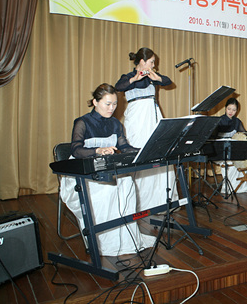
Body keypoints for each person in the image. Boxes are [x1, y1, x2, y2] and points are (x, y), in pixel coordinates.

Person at [60, 83, 155, 256]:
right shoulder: (82, 122)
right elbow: (76, 150)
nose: (112, 108)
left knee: (127, 183)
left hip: (105, 167)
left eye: (115, 104)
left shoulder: (115, 124)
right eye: (107, 104)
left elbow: (125, 147)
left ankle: (125, 238)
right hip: (82, 170)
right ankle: (103, 242)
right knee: (105, 191)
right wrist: (97, 151)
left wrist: (146, 149)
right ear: (95, 102)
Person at [115, 47, 177, 212]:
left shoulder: (152, 77)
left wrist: (156, 77)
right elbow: (118, 86)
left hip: (152, 117)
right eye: (151, 62)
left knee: (159, 151)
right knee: (139, 151)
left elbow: (168, 81)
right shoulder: (128, 77)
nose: (153, 65)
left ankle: (161, 199)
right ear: (142, 62)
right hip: (137, 119)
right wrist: (134, 79)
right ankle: (138, 202)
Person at [214, 98, 247, 194]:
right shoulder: (219, 121)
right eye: (229, 109)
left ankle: (246, 186)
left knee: (246, 158)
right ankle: (231, 188)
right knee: (232, 161)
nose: (231, 112)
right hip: (219, 151)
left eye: (234, 110)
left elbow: (244, 134)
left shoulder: (237, 121)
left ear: (237, 111)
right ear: (225, 108)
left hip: (232, 150)